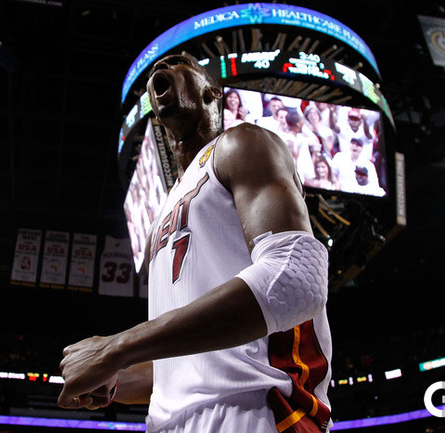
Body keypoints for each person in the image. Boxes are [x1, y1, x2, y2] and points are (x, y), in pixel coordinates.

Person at [57, 53, 333, 433]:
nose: (160, 70)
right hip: (166, 424)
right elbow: (183, 362)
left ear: (212, 93)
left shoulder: (242, 143)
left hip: (258, 407)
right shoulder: (161, 213)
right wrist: (114, 377)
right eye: (156, 69)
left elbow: (295, 281)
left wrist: (114, 348)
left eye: (178, 62)